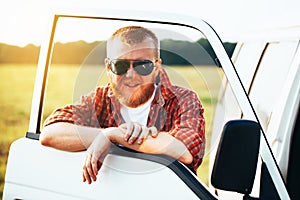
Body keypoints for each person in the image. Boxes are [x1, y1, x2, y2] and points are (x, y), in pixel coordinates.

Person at [40, 25, 205, 184]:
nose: (131, 74)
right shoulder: (99, 98)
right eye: (120, 65)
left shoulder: (183, 99)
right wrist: (105, 134)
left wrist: (114, 136)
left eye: (143, 65)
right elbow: (50, 133)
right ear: (108, 67)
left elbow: (184, 151)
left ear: (157, 67)